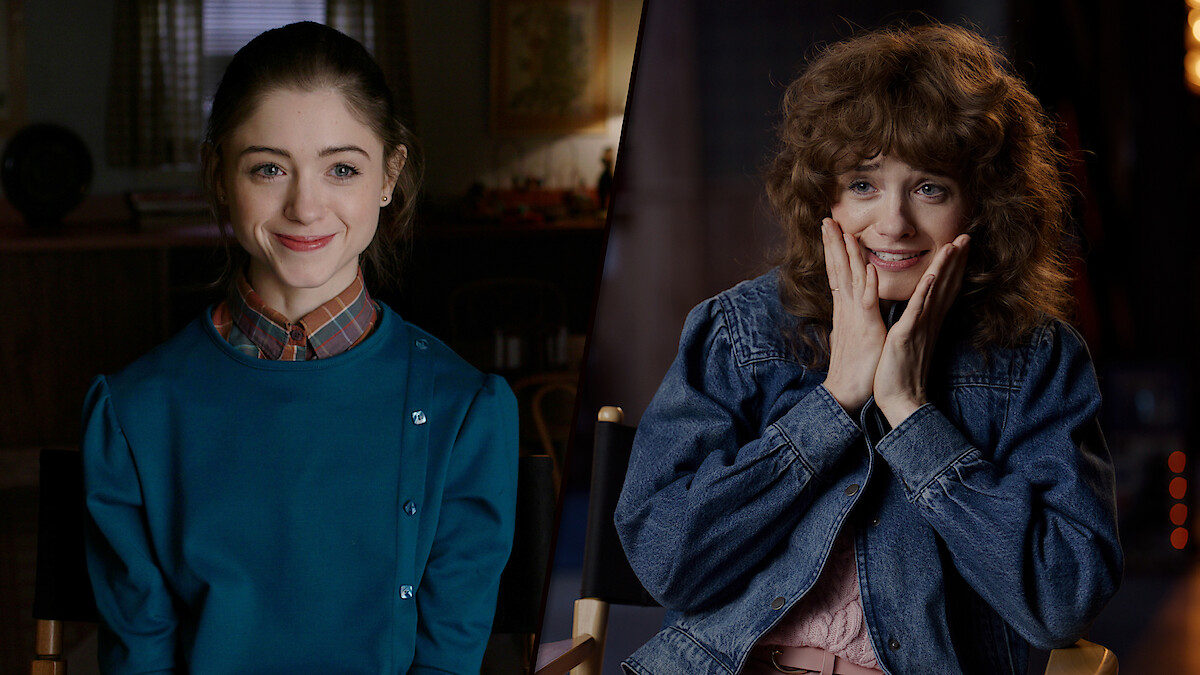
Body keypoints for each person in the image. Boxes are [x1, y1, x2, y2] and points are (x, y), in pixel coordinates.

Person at [614, 22, 1121, 675]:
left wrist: (911, 417)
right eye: (864, 184)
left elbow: (1064, 603)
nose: (894, 223)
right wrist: (832, 405)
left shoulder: (1036, 359)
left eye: (929, 187)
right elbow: (669, 564)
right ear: (824, 194)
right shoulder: (740, 329)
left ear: (980, 203)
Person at [82, 22, 518, 674]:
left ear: (389, 174)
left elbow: (447, 657)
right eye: (269, 168)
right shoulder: (133, 415)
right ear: (219, 174)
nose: (305, 206)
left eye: (341, 167)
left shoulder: (463, 414)